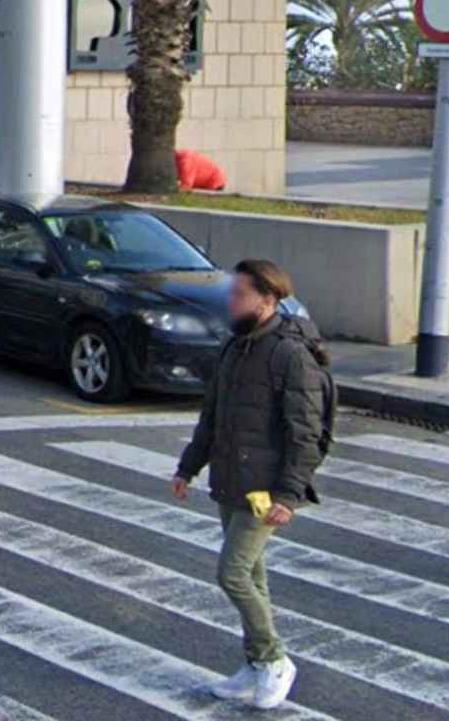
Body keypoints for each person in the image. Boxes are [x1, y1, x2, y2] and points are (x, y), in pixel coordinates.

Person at [172, 259, 329, 711]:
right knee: (253, 575)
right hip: (231, 479)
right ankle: (255, 663)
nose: (231, 301)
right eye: (232, 292)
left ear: (268, 299)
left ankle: (276, 660)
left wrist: (289, 496)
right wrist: (188, 467)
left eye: (240, 294)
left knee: (233, 573)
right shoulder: (234, 348)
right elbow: (213, 417)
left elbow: (305, 433)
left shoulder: (289, 355)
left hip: (264, 488)